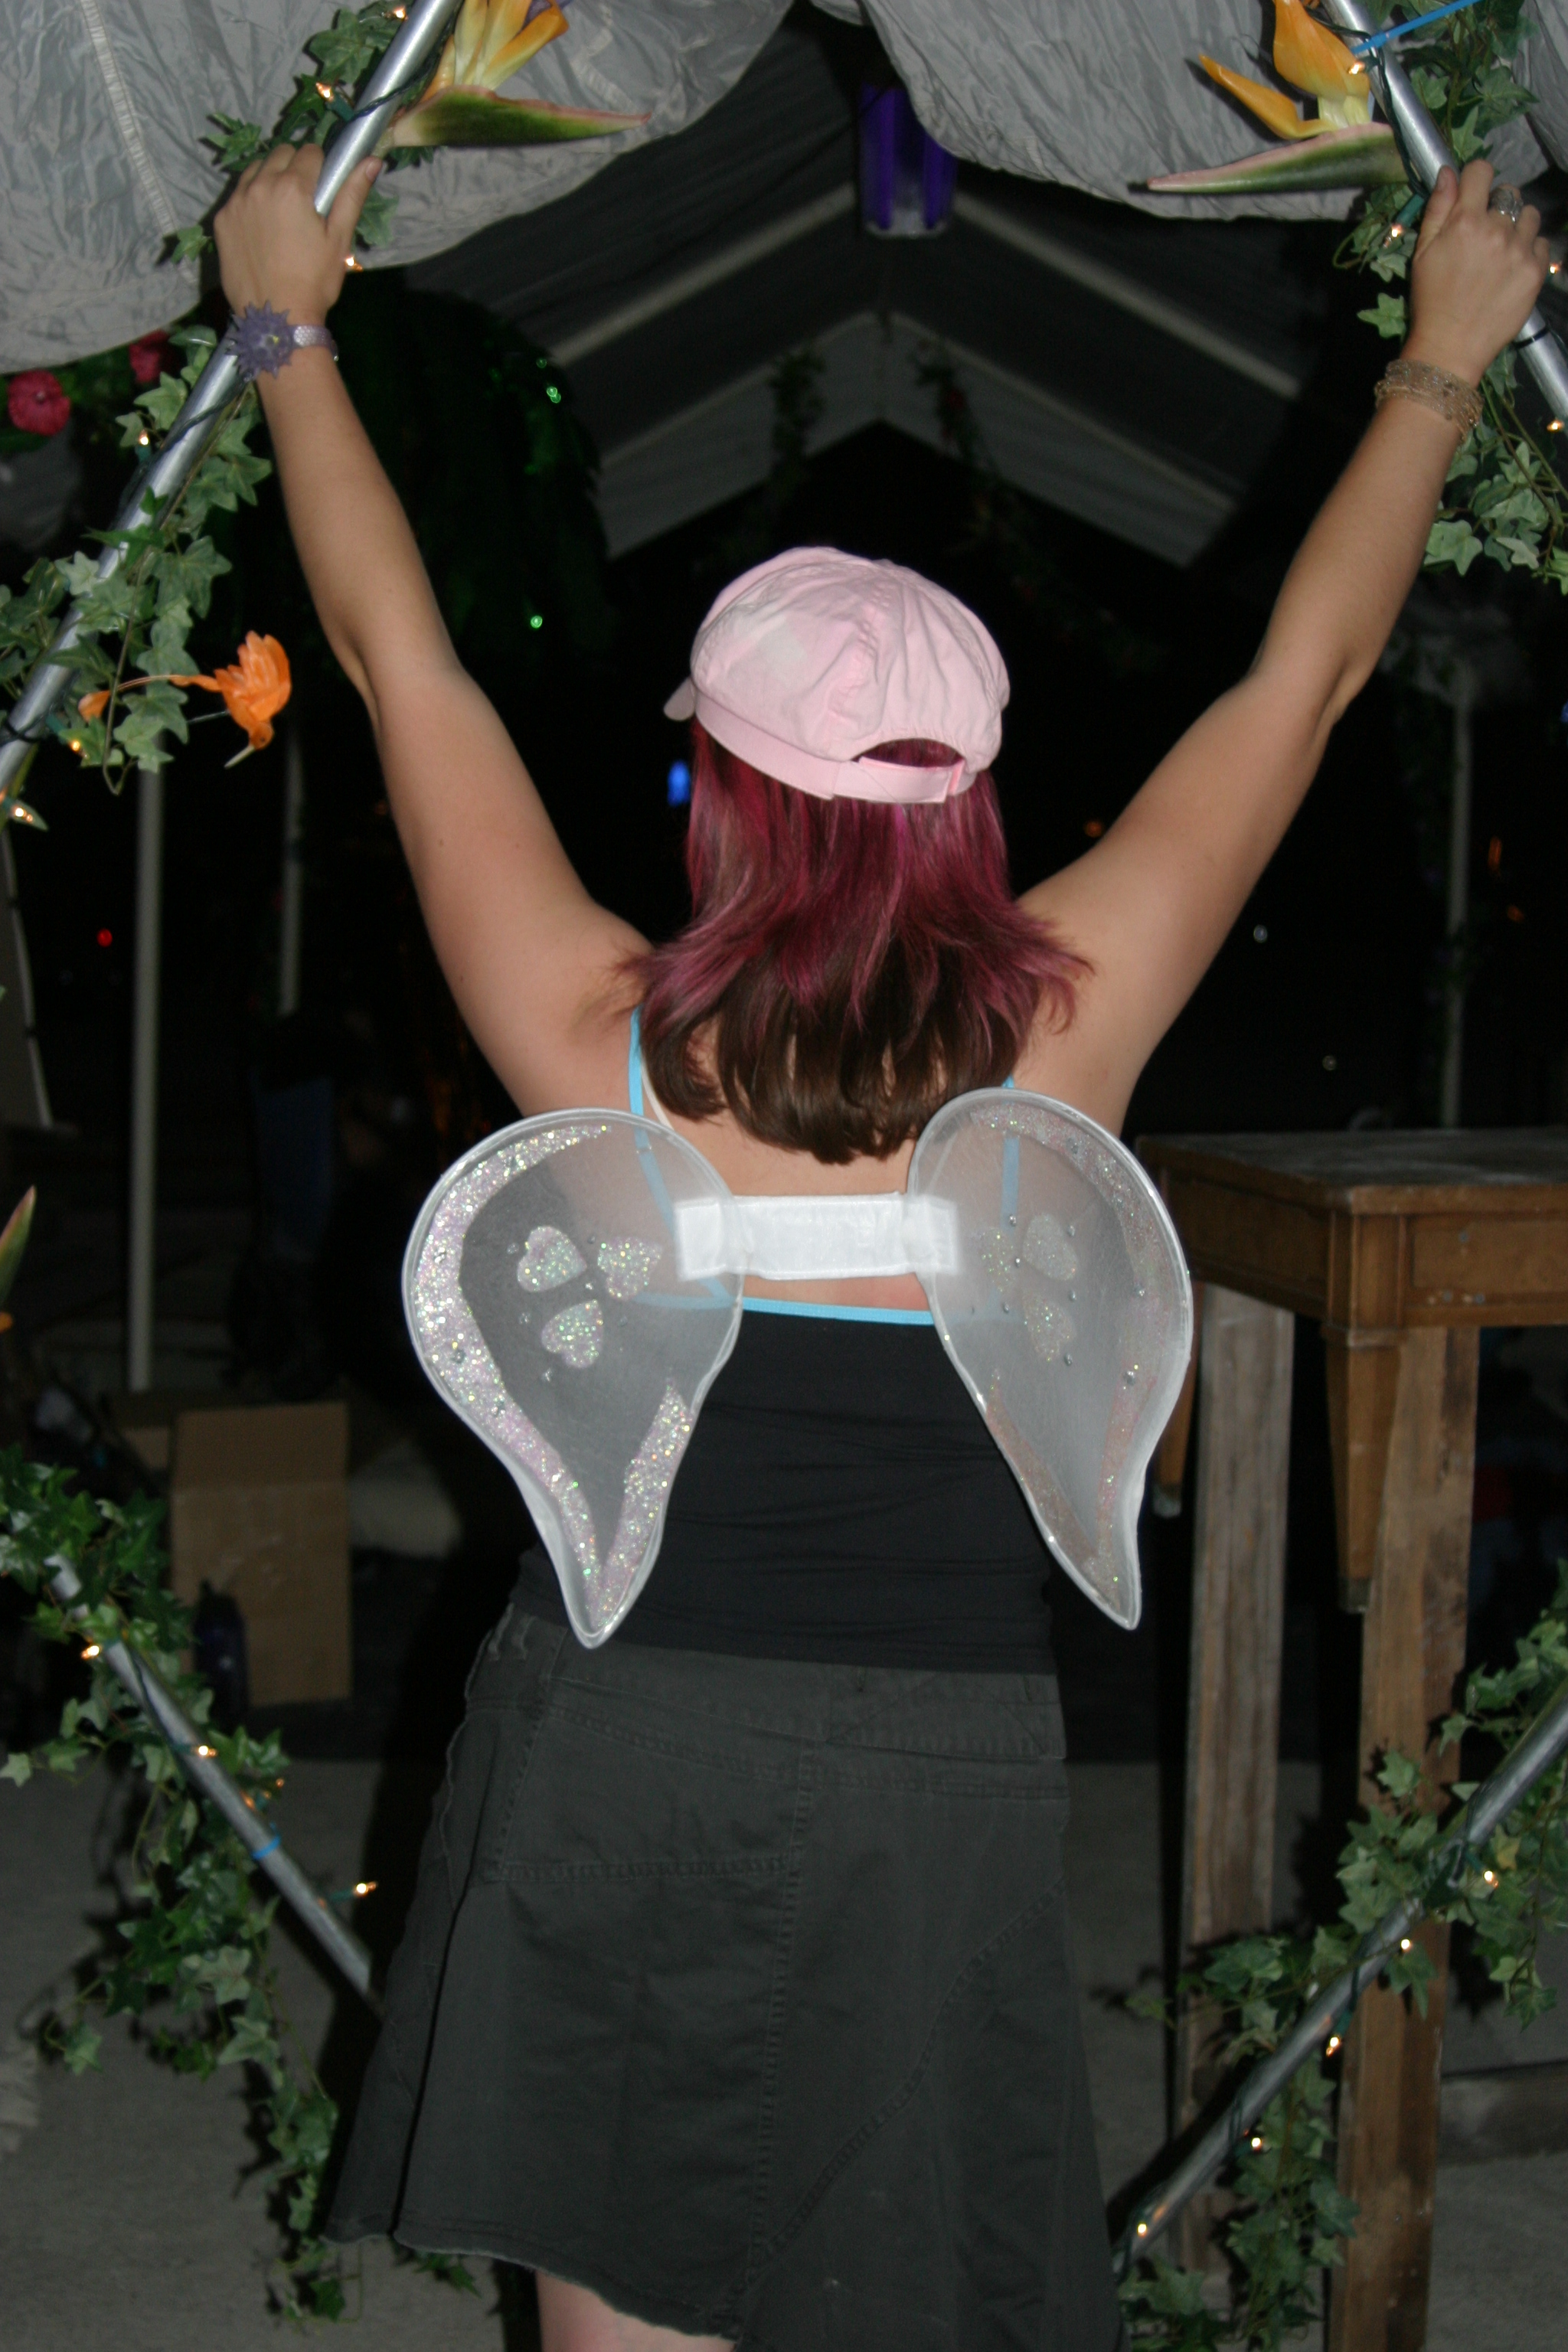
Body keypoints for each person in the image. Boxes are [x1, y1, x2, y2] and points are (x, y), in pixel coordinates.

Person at [214, 146, 1547, 2352]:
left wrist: (290, 335)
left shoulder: (590, 1032)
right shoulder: (1066, 1031)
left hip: (620, 1744)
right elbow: (1297, 690)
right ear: (971, 799)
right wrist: (1441, 362)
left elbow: (396, 658)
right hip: (940, 1774)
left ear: (729, 791)